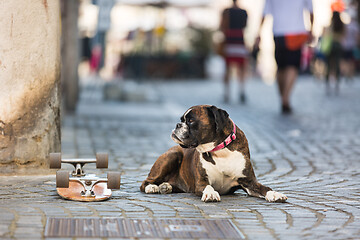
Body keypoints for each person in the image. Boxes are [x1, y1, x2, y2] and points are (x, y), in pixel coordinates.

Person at [255, 0, 314, 114]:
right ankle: (285, 98)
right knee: (292, 66)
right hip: (297, 32)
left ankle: (283, 97)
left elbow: (264, 13)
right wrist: (311, 29)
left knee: (281, 67)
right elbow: (311, 11)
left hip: (278, 32)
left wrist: (259, 33)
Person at [220, 0, 248, 104]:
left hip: (229, 39)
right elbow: (245, 26)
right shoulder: (244, 12)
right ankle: (242, 90)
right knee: (241, 67)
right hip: (240, 39)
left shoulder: (226, 11)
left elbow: (221, 26)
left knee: (227, 67)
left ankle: (227, 93)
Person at [324, 11, 345, 94]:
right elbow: (344, 35)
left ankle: (327, 84)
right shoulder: (341, 25)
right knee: (337, 64)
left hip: (330, 45)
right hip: (338, 45)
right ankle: (337, 83)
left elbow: (326, 34)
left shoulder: (331, 24)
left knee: (329, 65)